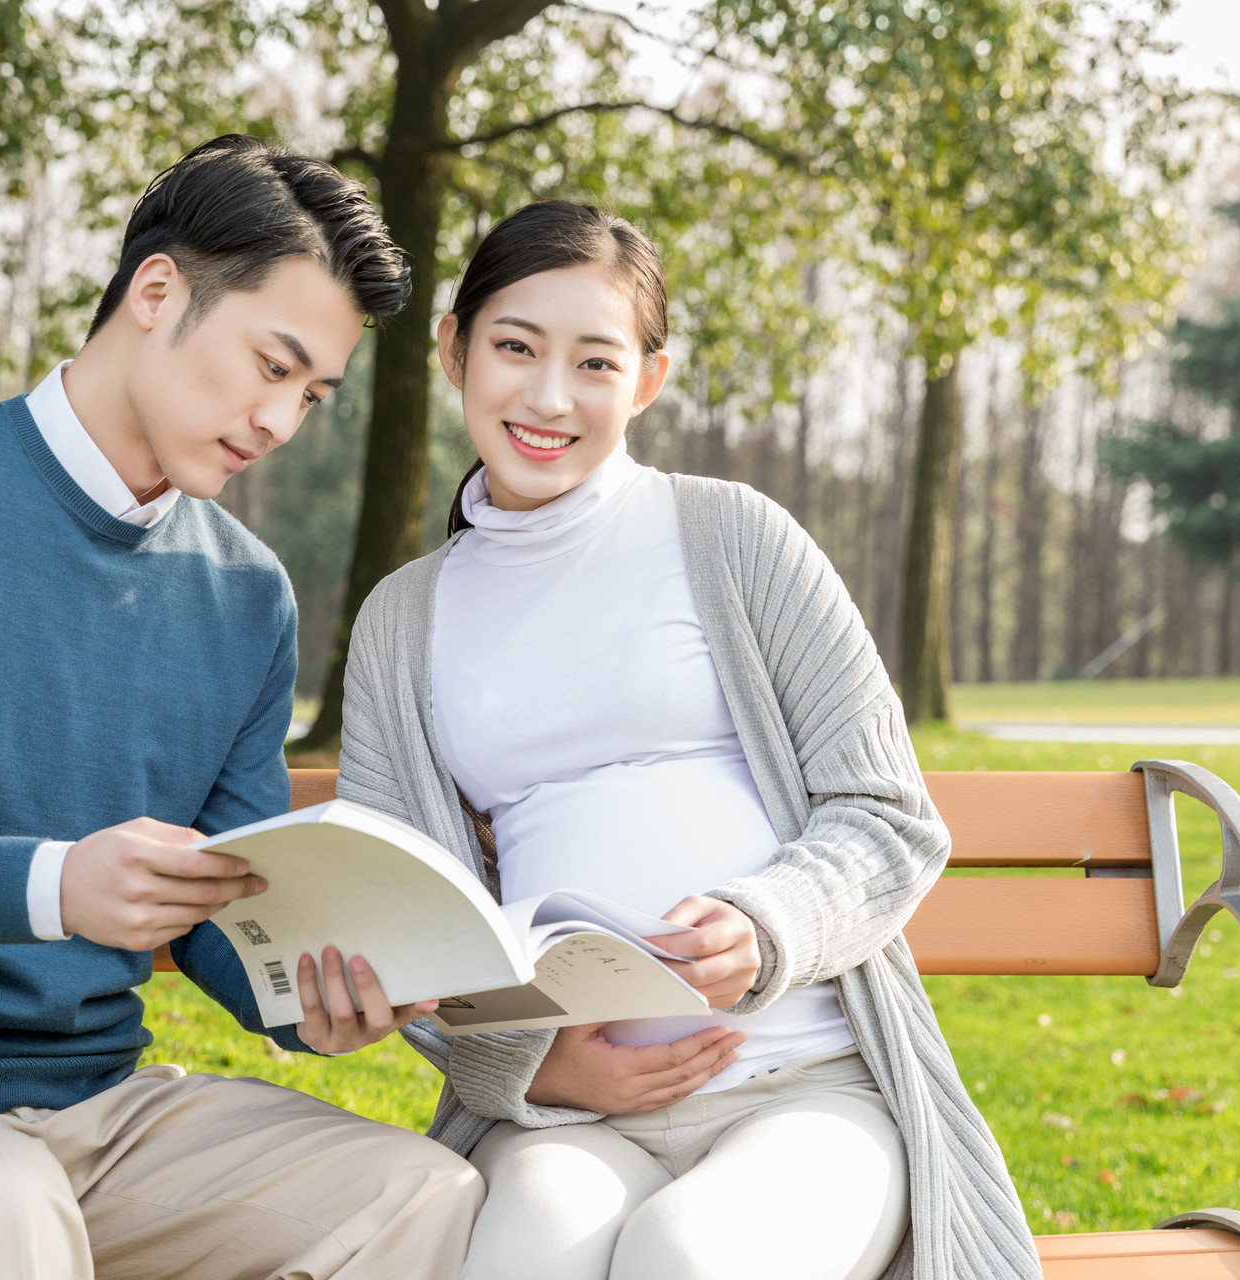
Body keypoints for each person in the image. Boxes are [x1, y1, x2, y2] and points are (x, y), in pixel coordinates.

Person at [0, 135, 483, 1280]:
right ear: (156, 292)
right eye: (270, 365)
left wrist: (306, 994)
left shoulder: (245, 593)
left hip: (100, 1117)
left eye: (312, 394)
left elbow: (219, 897)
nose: (281, 419)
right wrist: (55, 882)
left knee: (419, 1192)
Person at [335, 200, 1041, 1280]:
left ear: (649, 381)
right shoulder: (403, 617)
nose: (548, 396)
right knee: (520, 1259)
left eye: (596, 362)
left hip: (809, 1086)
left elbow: (890, 816)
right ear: (454, 348)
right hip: (569, 1119)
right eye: (515, 346)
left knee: (688, 1257)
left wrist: (767, 926)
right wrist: (545, 1067)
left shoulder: (734, 537)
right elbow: (408, 917)